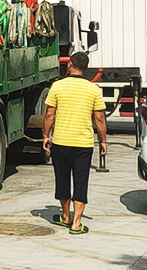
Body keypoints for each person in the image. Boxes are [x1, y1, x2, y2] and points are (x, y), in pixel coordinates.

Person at [41, 51, 107, 235]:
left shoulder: (57, 87)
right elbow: (99, 118)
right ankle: (77, 223)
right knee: (81, 181)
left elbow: (49, 114)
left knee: (62, 179)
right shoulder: (94, 89)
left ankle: (65, 216)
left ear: (70, 64)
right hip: (84, 144)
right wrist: (103, 141)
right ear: (85, 68)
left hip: (61, 142)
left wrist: (46, 135)